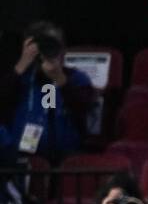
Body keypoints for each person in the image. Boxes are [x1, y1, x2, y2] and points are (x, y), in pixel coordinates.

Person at [0, 20, 96, 165]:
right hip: (22, 159)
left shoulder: (75, 78)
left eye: (53, 44)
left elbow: (84, 108)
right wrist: (21, 65)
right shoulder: (20, 78)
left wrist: (60, 78)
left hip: (66, 158)